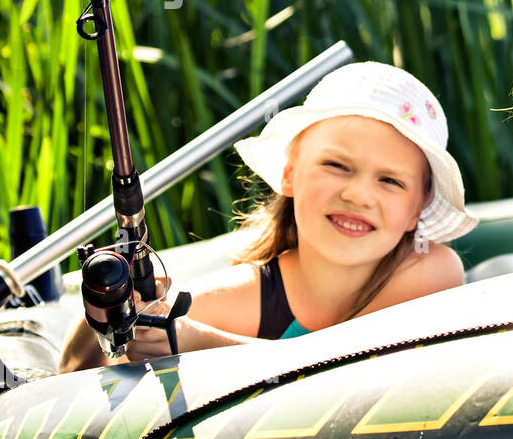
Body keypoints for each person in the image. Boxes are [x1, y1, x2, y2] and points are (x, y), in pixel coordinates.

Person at [58, 62, 476, 371]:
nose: (358, 194)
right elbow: (75, 369)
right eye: (336, 166)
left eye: (390, 181)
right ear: (290, 174)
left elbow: (350, 369)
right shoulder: (251, 293)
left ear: (415, 211)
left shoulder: (430, 270)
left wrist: (196, 341)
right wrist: (114, 301)